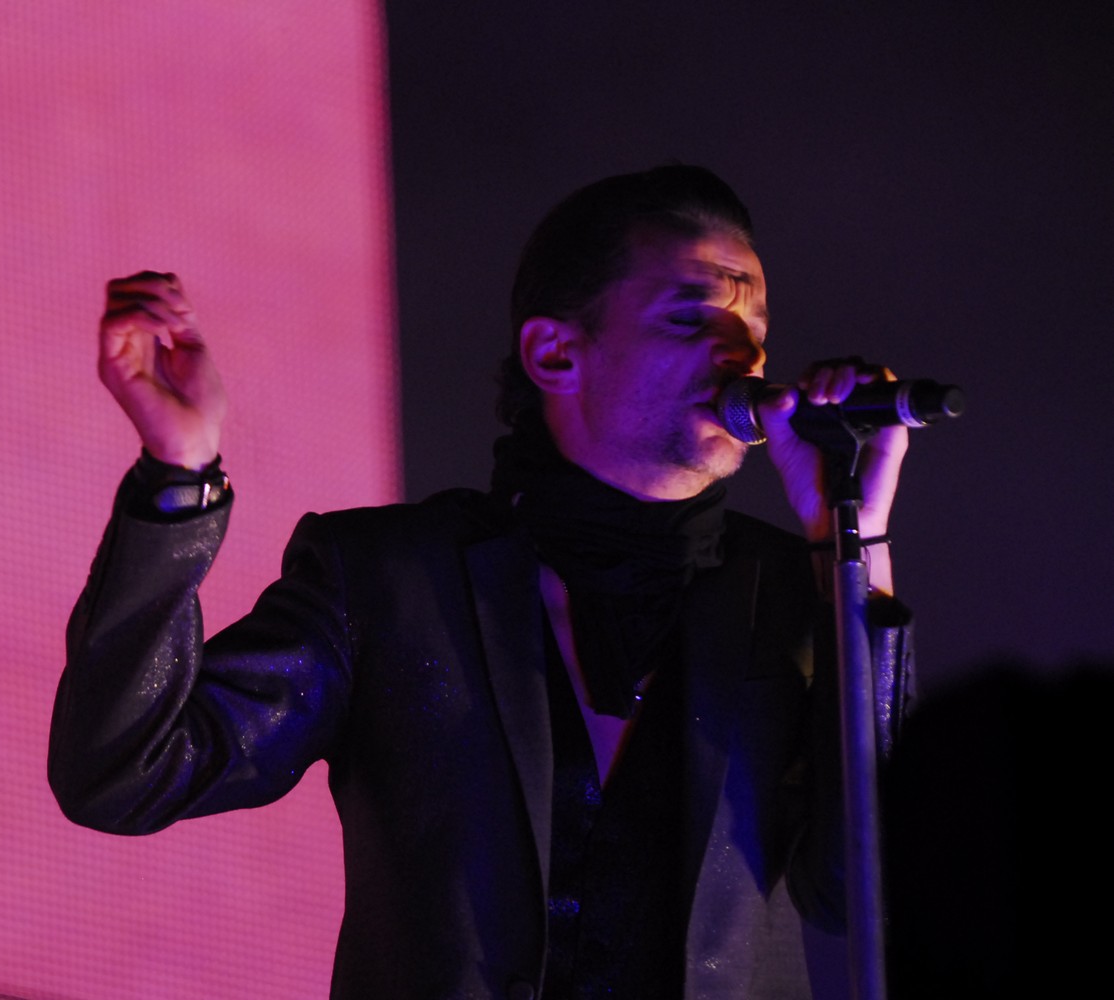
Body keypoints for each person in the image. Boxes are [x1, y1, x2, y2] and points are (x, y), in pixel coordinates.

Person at [48, 165, 913, 999]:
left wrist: (855, 538)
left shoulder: (795, 591)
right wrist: (179, 475)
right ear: (554, 351)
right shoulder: (391, 577)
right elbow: (127, 772)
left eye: (756, 332)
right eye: (692, 320)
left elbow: (865, 886)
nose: (744, 358)